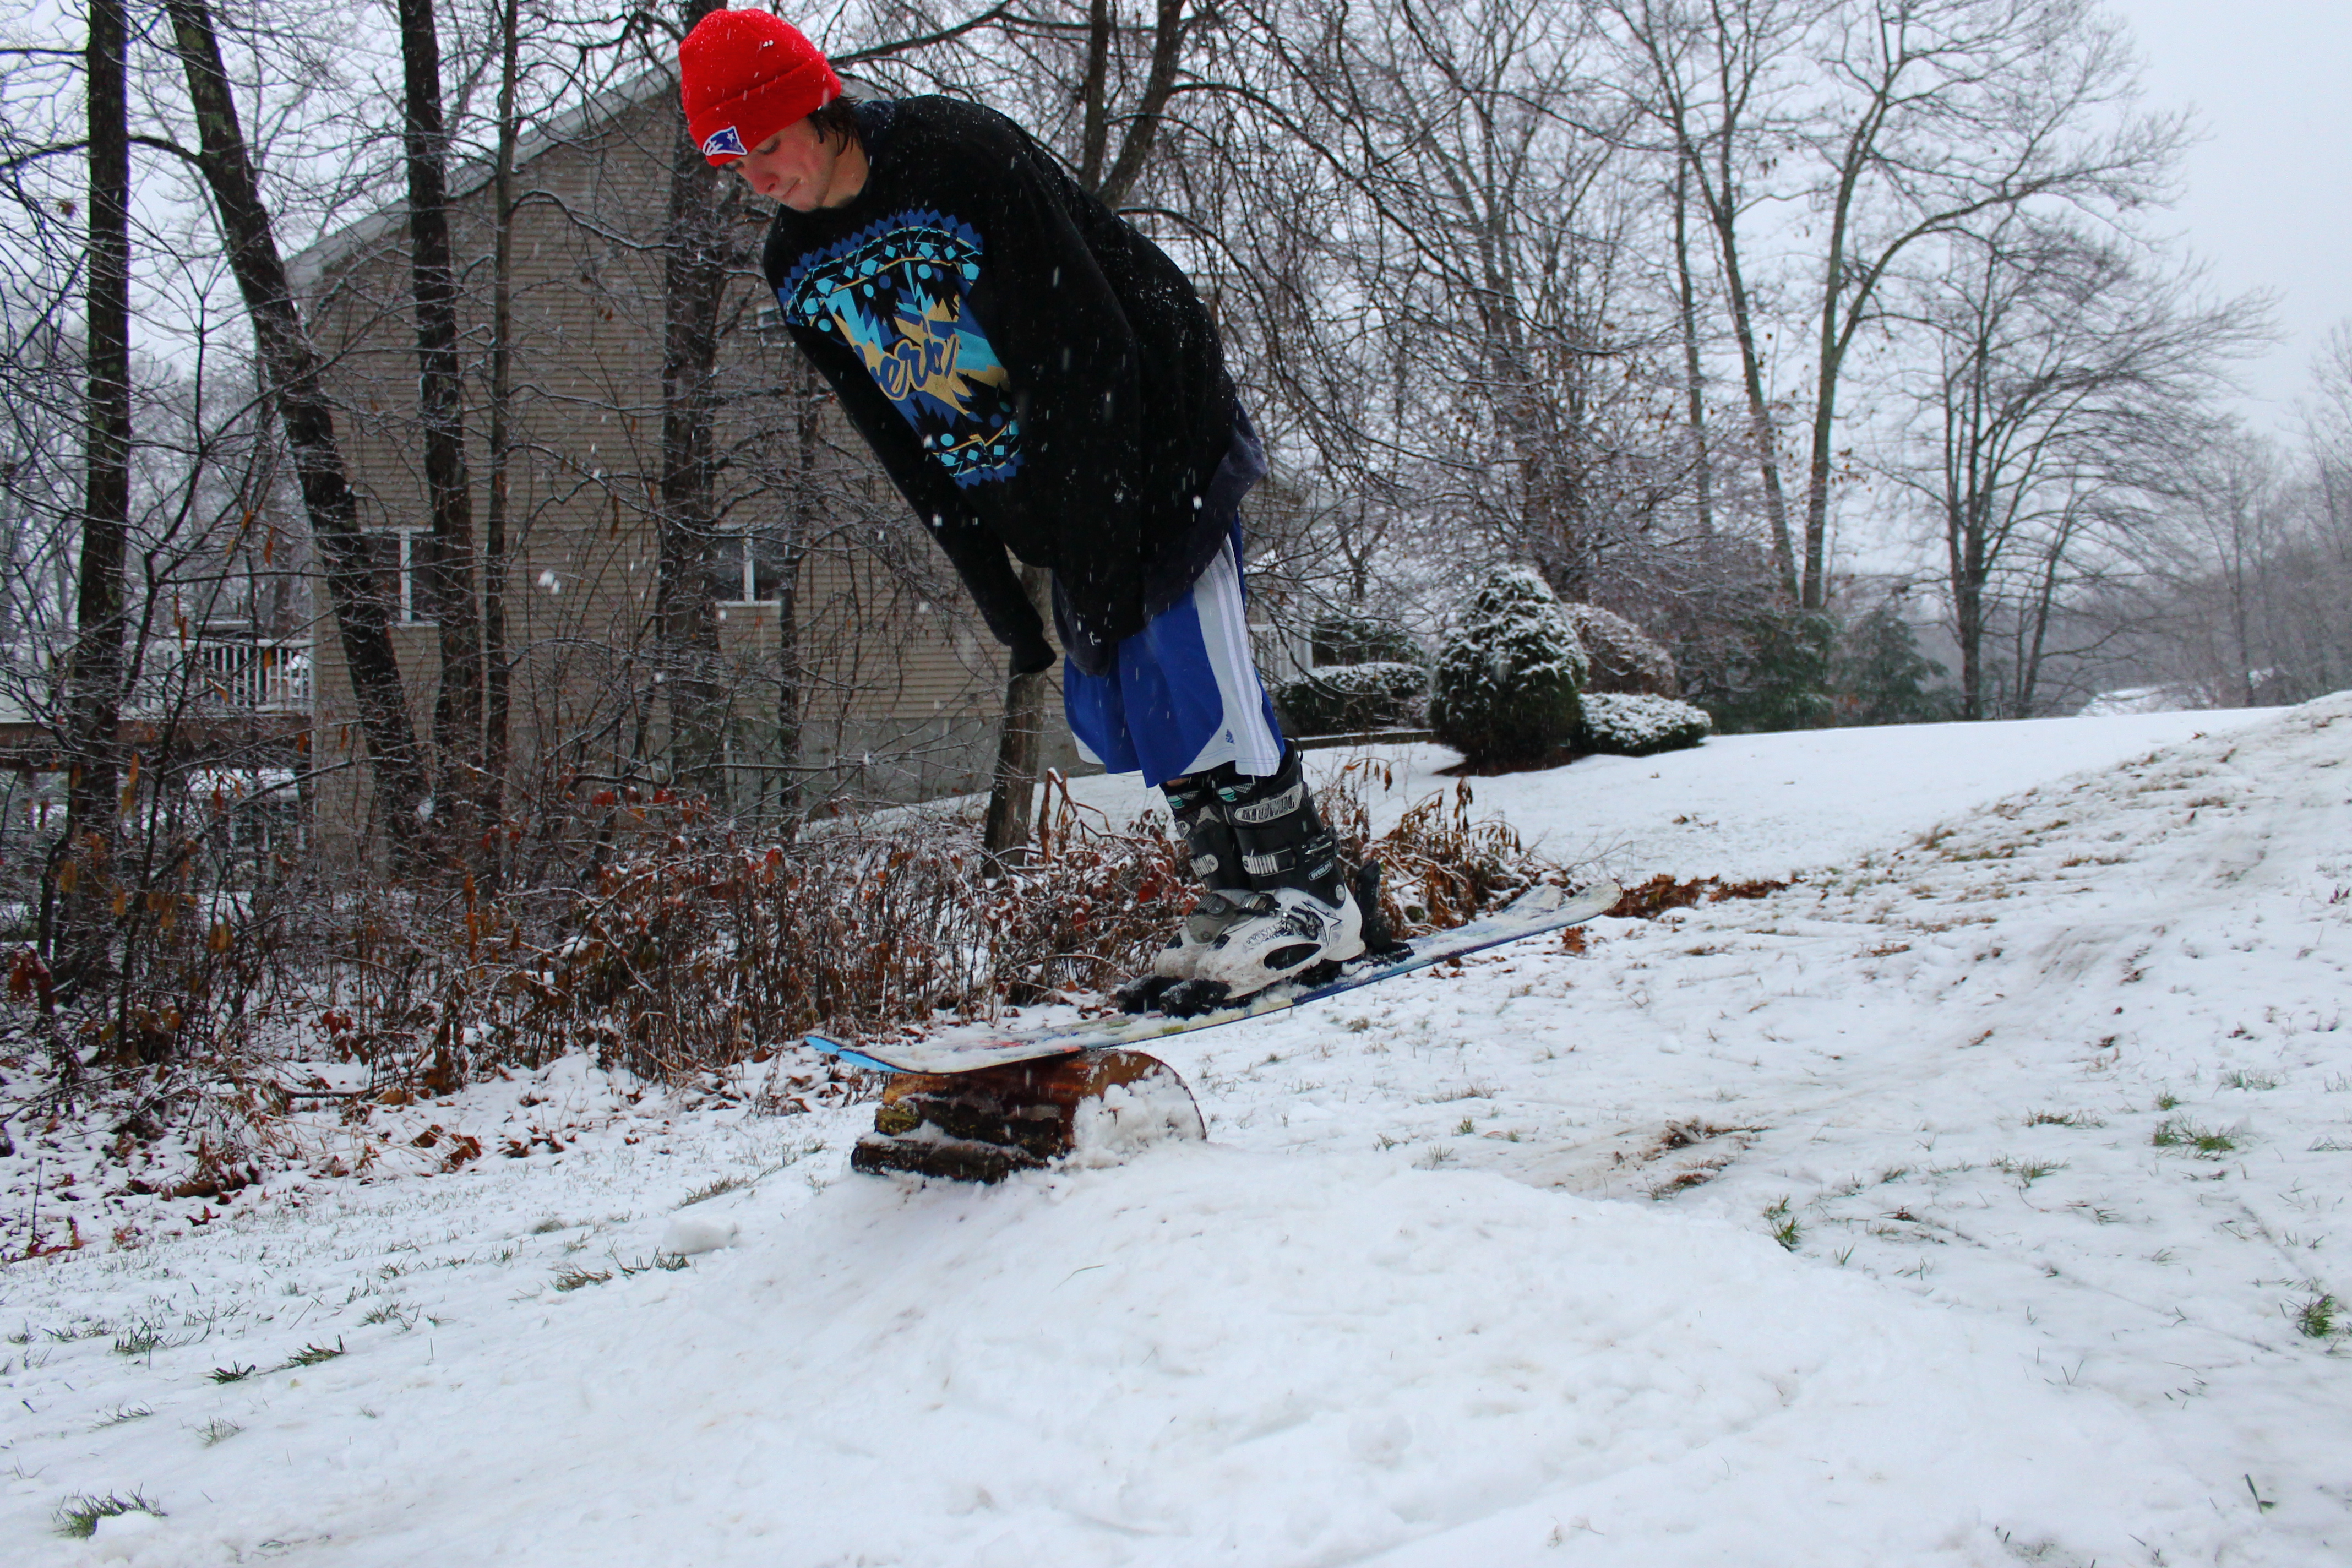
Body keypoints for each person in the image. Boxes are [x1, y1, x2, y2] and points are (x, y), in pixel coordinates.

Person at [677, 9, 1363, 1006]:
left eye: (767, 147)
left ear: (819, 111)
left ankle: (1310, 899)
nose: (758, 180)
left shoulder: (955, 156)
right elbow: (898, 435)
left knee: (1192, 660)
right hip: (1055, 487)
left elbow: (1090, 350)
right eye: (732, 163)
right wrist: (1000, 588)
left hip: (1154, 426)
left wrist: (1097, 535)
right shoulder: (796, 272)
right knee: (1135, 699)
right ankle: (1240, 899)